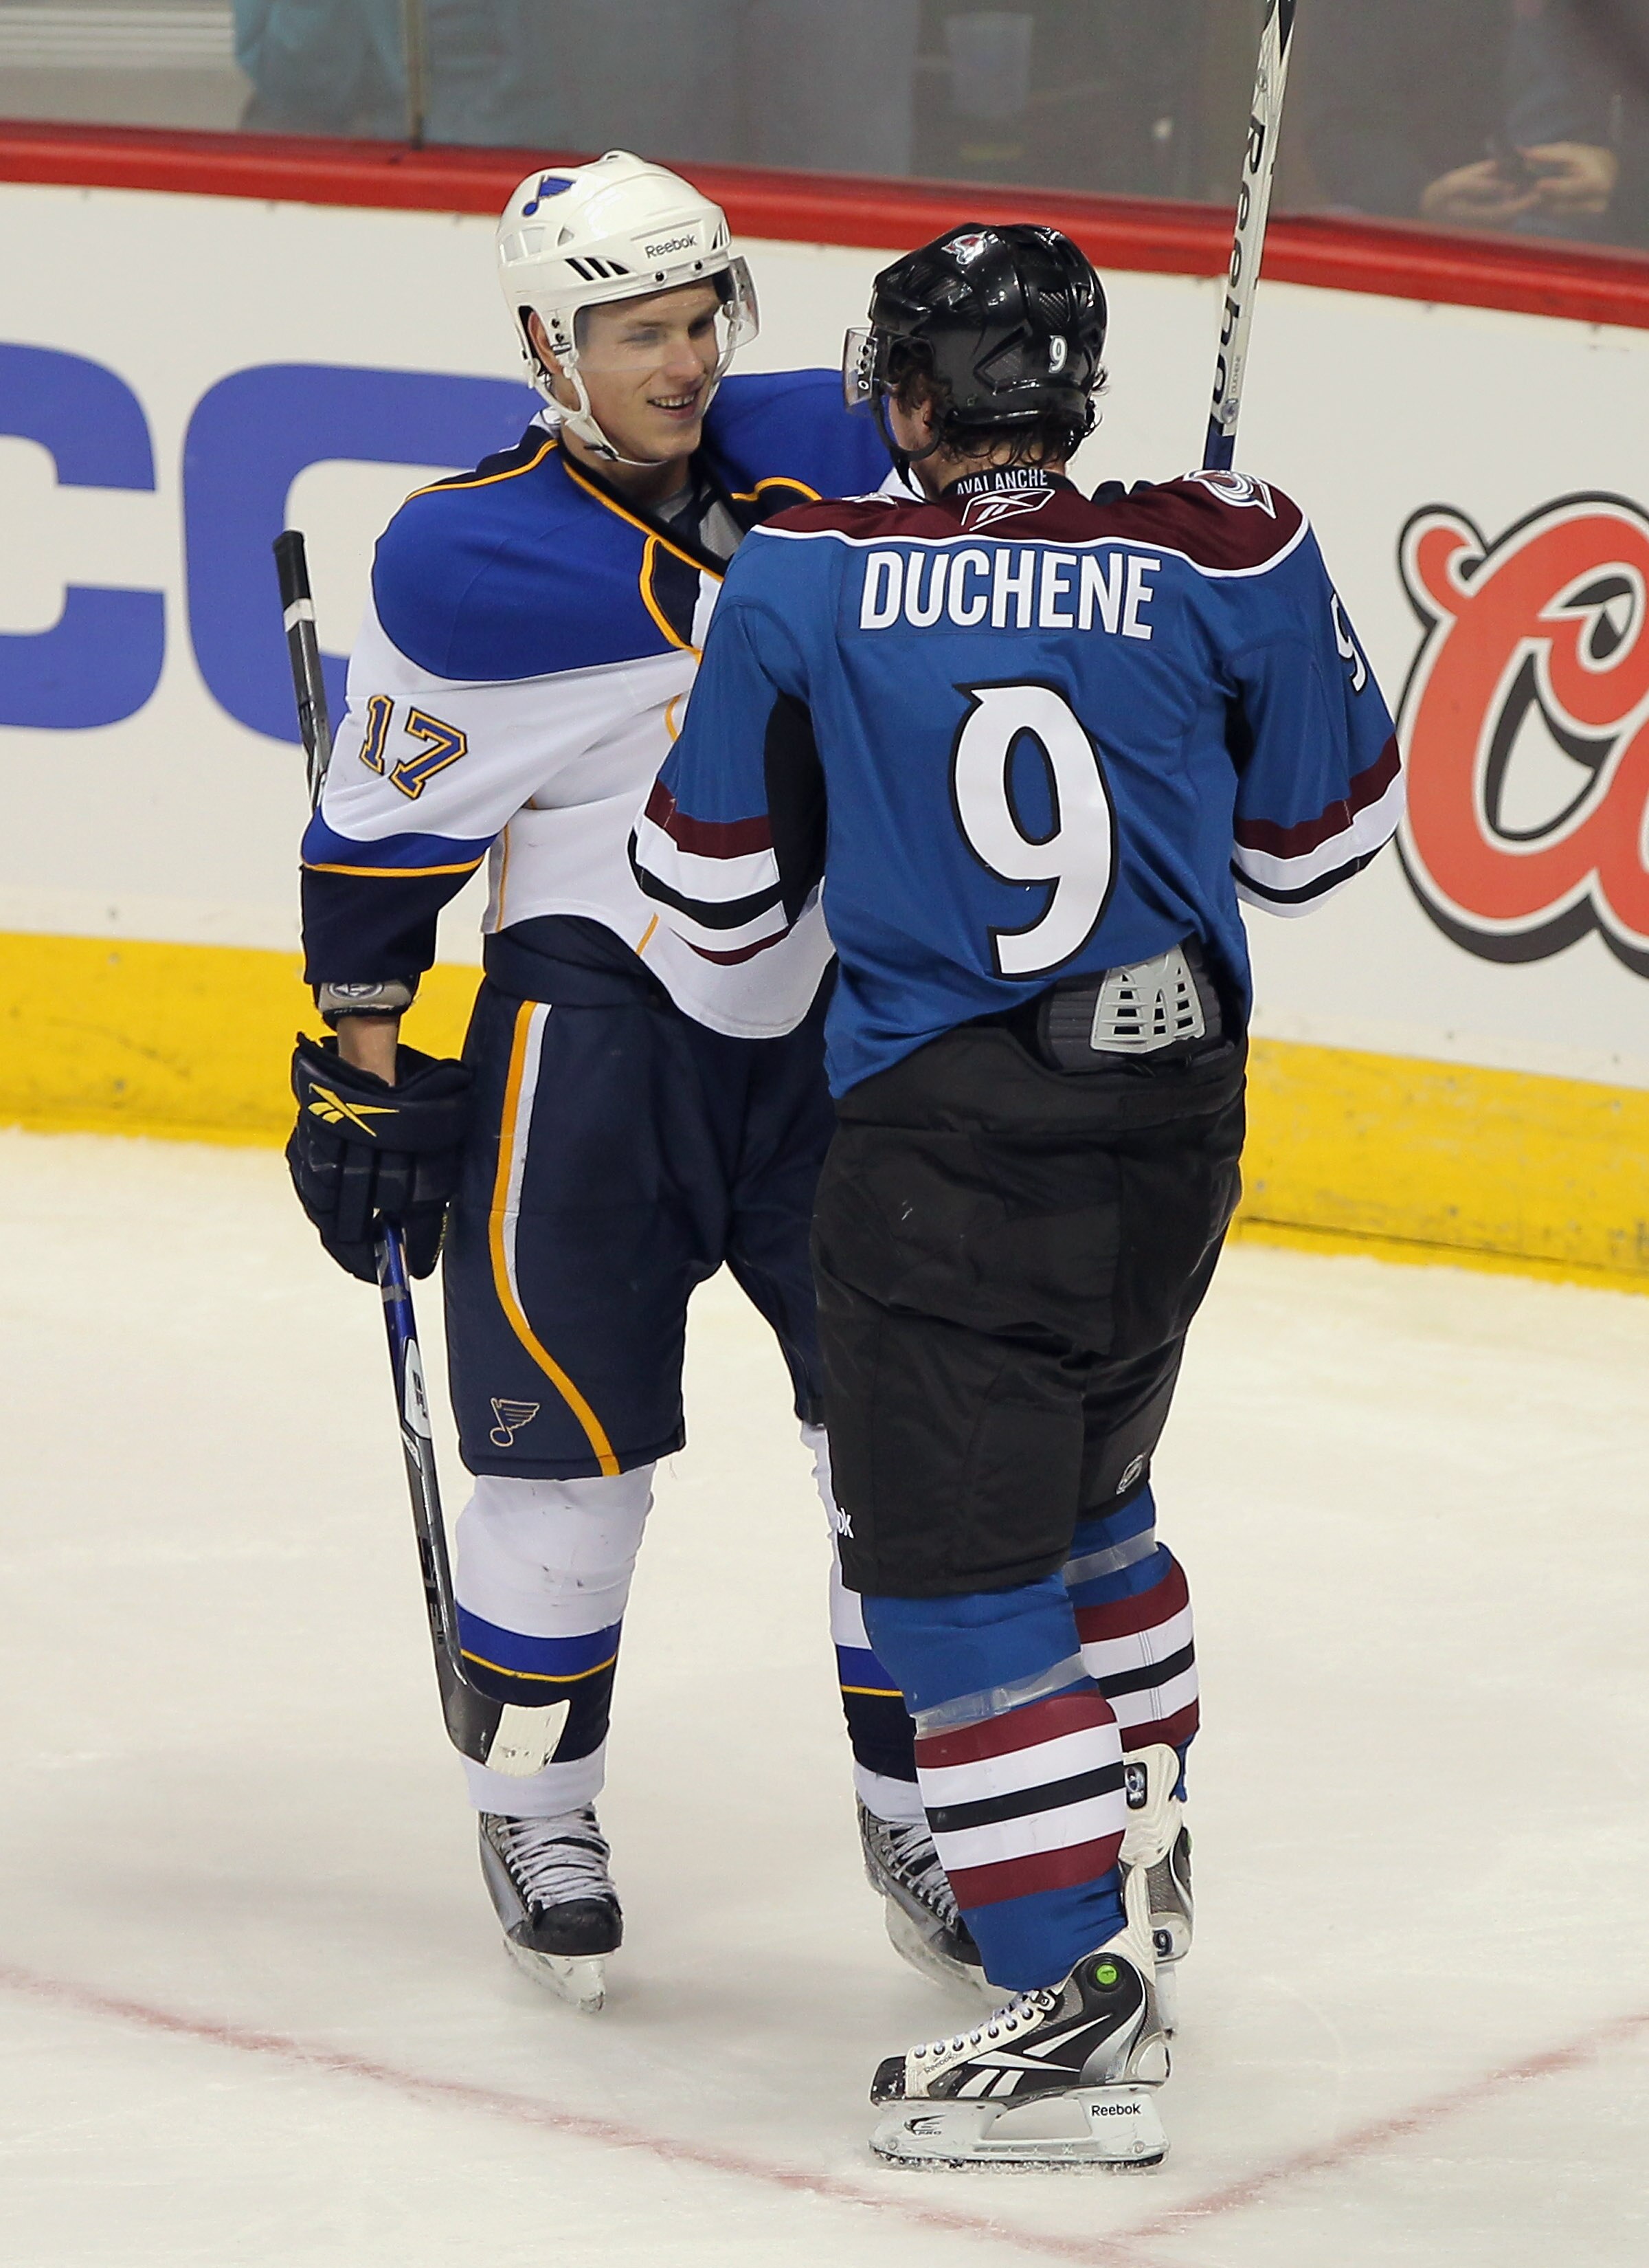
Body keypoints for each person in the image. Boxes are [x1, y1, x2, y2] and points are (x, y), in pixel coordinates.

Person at [632, 223, 1402, 2163]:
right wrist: (1187, 689)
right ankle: (1141, 1828)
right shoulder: (1232, 547)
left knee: (952, 1583)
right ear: (1074, 388)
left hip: (948, 1154)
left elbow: (710, 906)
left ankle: (1072, 2004)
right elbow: (1317, 846)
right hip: (1173, 1138)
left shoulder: (804, 566)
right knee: (1090, 1503)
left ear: (904, 396)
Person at [284, 149, 960, 2014]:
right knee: (570, 1475)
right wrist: (359, 1065)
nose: (678, 364)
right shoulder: (470, 555)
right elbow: (380, 845)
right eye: (634, 332)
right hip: (593, 1045)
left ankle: (916, 1806)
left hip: (834, 1036)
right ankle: (539, 1803)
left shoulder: (824, 442)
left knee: (892, 1455)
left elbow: (985, 420)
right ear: (544, 345)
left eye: (696, 323)